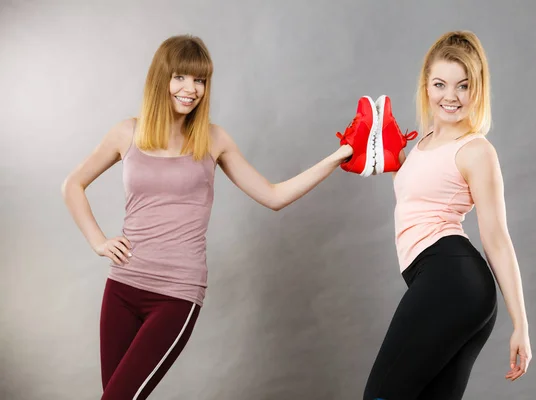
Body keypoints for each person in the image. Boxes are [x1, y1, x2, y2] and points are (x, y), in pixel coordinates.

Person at [60, 34, 359, 399]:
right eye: (181, 77)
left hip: (175, 294)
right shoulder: (128, 133)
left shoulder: (214, 140)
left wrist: (338, 156)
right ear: (162, 79)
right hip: (122, 287)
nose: (191, 89)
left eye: (200, 80)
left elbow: (274, 195)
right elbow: (73, 184)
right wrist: (98, 241)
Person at [360, 31, 532, 400]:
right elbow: (417, 191)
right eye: (440, 84)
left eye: (463, 86)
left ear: (478, 90)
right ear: (426, 86)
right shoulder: (422, 145)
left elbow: (497, 238)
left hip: (450, 280)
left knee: (381, 394)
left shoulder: (475, 151)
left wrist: (521, 324)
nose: (450, 96)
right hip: (449, 285)